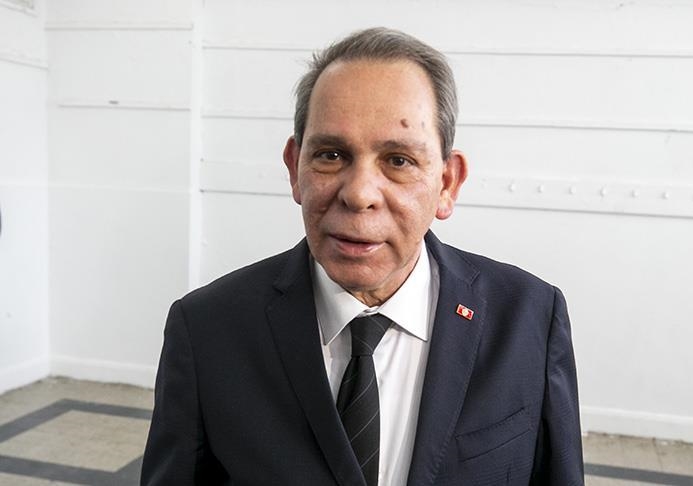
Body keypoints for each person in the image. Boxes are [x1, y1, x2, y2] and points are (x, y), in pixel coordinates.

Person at [141, 27, 583, 486]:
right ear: (294, 168)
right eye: (331, 155)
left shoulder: (529, 317)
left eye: (398, 160)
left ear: (447, 183)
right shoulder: (207, 330)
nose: (359, 194)